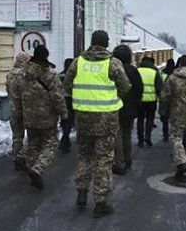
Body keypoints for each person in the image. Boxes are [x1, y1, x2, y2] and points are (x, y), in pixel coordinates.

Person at [63, 30, 131, 217]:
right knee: (103, 159)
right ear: (106, 43)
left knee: (84, 155)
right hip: (106, 120)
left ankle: (82, 192)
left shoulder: (78, 62)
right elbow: (125, 87)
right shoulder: (113, 63)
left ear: (92, 42)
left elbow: (67, 85)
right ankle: (101, 202)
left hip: (83, 119)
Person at [18, 45, 67, 190]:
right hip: (46, 117)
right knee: (51, 144)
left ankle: (33, 174)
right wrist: (64, 114)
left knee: (33, 144)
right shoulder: (51, 75)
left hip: (29, 116)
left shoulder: (23, 73)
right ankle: (37, 169)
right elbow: (58, 98)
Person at [111, 44, 142, 175]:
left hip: (114, 106)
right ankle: (128, 159)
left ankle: (119, 162)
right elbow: (139, 89)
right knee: (127, 134)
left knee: (117, 135)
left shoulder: (112, 69)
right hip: (130, 108)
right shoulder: (133, 70)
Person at [6, 52, 30, 172]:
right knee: (32, 135)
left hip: (12, 109)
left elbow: (7, 90)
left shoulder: (9, 74)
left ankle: (16, 159)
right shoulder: (24, 75)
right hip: (24, 109)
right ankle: (23, 158)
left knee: (17, 136)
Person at [136, 56, 163, 147]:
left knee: (140, 120)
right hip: (151, 100)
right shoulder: (154, 72)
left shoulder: (137, 71)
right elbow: (159, 87)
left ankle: (140, 140)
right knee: (149, 119)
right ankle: (148, 137)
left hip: (139, 100)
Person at [58, 58, 75, 152]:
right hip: (71, 99)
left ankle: (65, 138)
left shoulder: (59, 75)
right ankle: (65, 139)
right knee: (70, 119)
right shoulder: (74, 76)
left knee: (65, 119)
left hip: (62, 99)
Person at [159, 59, 176, 142]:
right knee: (174, 119)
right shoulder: (176, 74)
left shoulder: (163, 72)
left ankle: (165, 135)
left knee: (165, 118)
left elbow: (160, 84)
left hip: (165, 98)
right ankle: (173, 134)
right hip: (174, 99)